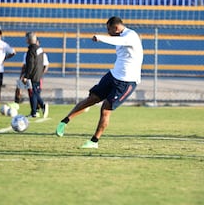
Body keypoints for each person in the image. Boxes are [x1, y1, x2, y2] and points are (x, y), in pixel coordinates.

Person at [55, 16, 143, 148]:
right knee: (92, 98)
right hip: (113, 75)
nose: (108, 32)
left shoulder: (131, 35)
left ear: (116, 28)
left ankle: (94, 141)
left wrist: (100, 37)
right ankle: (65, 121)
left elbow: (121, 41)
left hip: (127, 82)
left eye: (109, 30)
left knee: (105, 109)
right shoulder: (119, 36)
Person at [9, 38, 49, 118]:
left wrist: (40, 74)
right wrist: (22, 77)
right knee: (31, 93)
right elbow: (25, 66)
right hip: (28, 76)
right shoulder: (28, 53)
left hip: (36, 76)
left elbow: (46, 66)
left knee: (35, 92)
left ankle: (40, 107)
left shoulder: (42, 54)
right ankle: (34, 111)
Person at [21, 32, 48, 118]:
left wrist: (26, 76)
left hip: (33, 75)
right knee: (34, 93)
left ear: (28, 40)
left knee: (33, 93)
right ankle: (34, 112)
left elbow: (30, 64)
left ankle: (42, 105)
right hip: (38, 74)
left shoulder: (31, 50)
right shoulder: (40, 49)